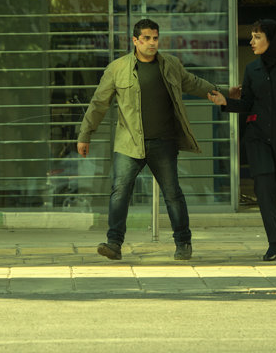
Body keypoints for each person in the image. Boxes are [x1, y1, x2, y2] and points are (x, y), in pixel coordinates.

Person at [77, 18, 232, 261]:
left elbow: (193, 83)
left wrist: (223, 91)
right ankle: (114, 244)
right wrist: (85, 135)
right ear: (135, 40)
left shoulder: (170, 64)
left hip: (163, 142)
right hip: (129, 144)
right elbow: (98, 103)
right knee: (119, 193)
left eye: (155, 38)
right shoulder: (117, 68)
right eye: (147, 38)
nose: (152, 43)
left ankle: (183, 243)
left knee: (173, 194)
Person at [208, 19, 276, 261]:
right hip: (257, 138)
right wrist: (227, 102)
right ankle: (273, 242)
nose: (252, 41)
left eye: (257, 37)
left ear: (271, 39)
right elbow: (247, 104)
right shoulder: (252, 69)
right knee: (264, 189)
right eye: (252, 36)